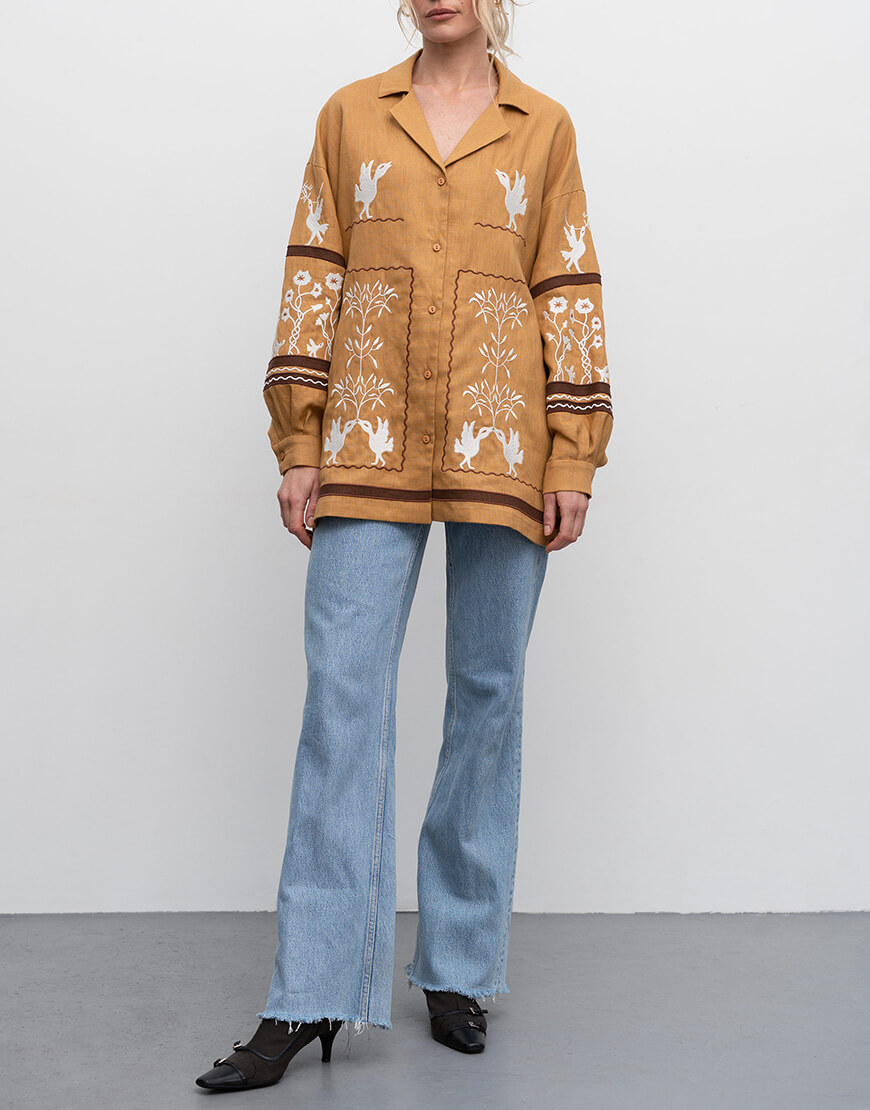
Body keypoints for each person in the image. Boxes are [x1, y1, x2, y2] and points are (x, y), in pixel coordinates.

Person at [196, 0, 613, 1092]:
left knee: (487, 696)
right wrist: (299, 440)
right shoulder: (348, 116)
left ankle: (459, 967)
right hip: (365, 437)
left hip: (502, 443)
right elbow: (312, 275)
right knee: (342, 700)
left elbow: (568, 287)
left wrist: (573, 454)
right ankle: (309, 989)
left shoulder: (544, 127)